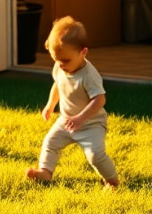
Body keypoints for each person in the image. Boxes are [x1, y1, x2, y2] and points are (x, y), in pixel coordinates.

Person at [25, 16, 120, 189]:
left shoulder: (89, 75)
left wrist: (80, 118)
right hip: (66, 121)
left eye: (65, 60)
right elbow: (58, 84)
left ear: (83, 52)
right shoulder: (60, 67)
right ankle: (45, 172)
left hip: (91, 124)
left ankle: (111, 180)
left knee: (95, 155)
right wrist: (50, 105)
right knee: (50, 143)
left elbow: (99, 99)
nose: (60, 65)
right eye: (56, 60)